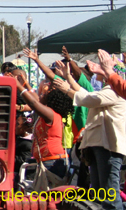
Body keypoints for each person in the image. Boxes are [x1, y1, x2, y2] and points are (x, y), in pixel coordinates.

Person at [54, 57, 126, 210]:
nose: (98, 68)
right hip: (101, 146)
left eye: (104, 66)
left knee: (109, 194)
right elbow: (86, 95)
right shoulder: (108, 91)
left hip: (108, 148)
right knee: (100, 193)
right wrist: (68, 79)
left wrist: (67, 88)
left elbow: (88, 99)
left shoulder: (114, 92)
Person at [14, 71, 74, 184]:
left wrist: (18, 86)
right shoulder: (47, 115)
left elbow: (33, 103)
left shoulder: (51, 115)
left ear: (51, 99)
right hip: (45, 160)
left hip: (52, 162)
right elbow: (35, 100)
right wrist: (24, 84)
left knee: (50, 198)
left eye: (44, 94)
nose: (41, 95)